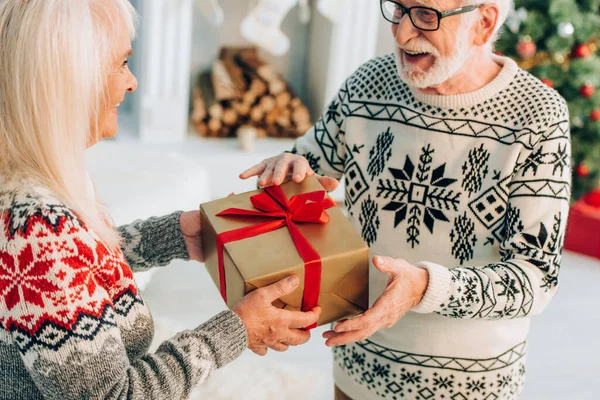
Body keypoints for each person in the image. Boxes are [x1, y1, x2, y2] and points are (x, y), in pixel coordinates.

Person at [241, 0, 571, 399]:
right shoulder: (369, 83)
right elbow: (311, 162)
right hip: (356, 365)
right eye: (398, 8)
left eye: (426, 15)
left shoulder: (538, 115)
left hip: (470, 384)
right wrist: (291, 166)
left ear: (483, 23)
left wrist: (425, 287)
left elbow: (536, 278)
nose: (401, 33)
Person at [0, 1, 320, 399]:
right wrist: (238, 329)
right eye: (119, 64)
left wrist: (173, 235)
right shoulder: (36, 229)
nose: (132, 82)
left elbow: (74, 266)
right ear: (68, 82)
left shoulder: (27, 185)